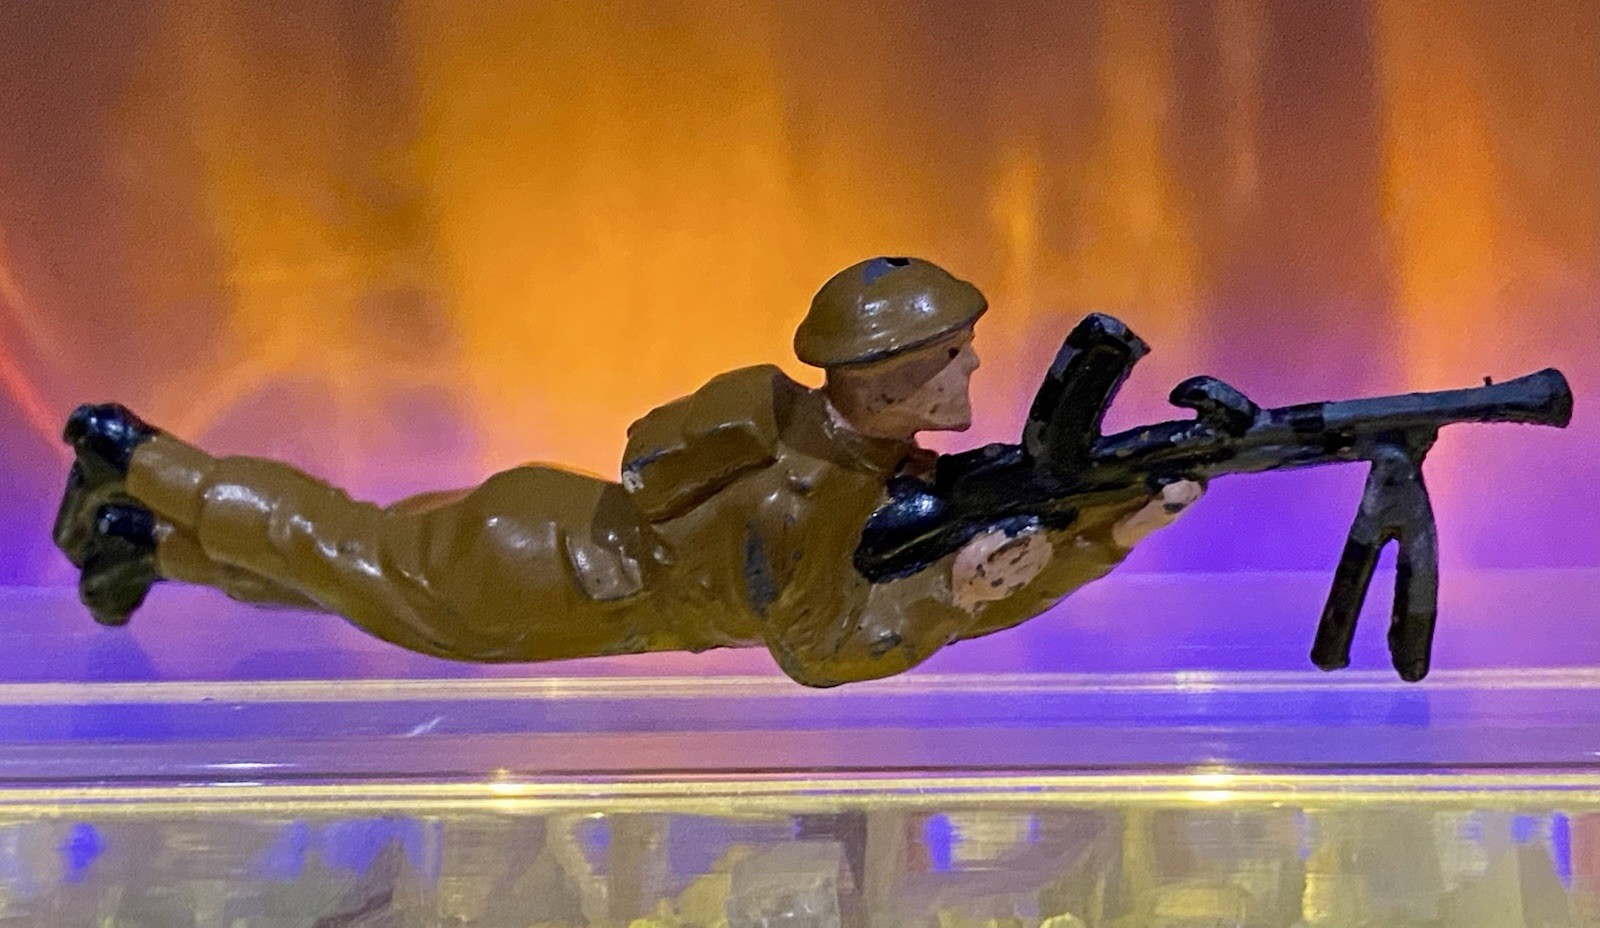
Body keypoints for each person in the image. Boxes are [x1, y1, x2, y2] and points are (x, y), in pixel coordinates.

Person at [53, 257, 1201, 687]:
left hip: (542, 534)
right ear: (893, 375)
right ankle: (134, 455)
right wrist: (953, 590)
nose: (974, 371)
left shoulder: (851, 452)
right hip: (526, 583)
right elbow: (819, 650)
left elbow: (957, 561)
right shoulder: (802, 497)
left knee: (343, 581)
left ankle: (140, 546)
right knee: (335, 545)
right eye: (953, 357)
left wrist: (1107, 531)